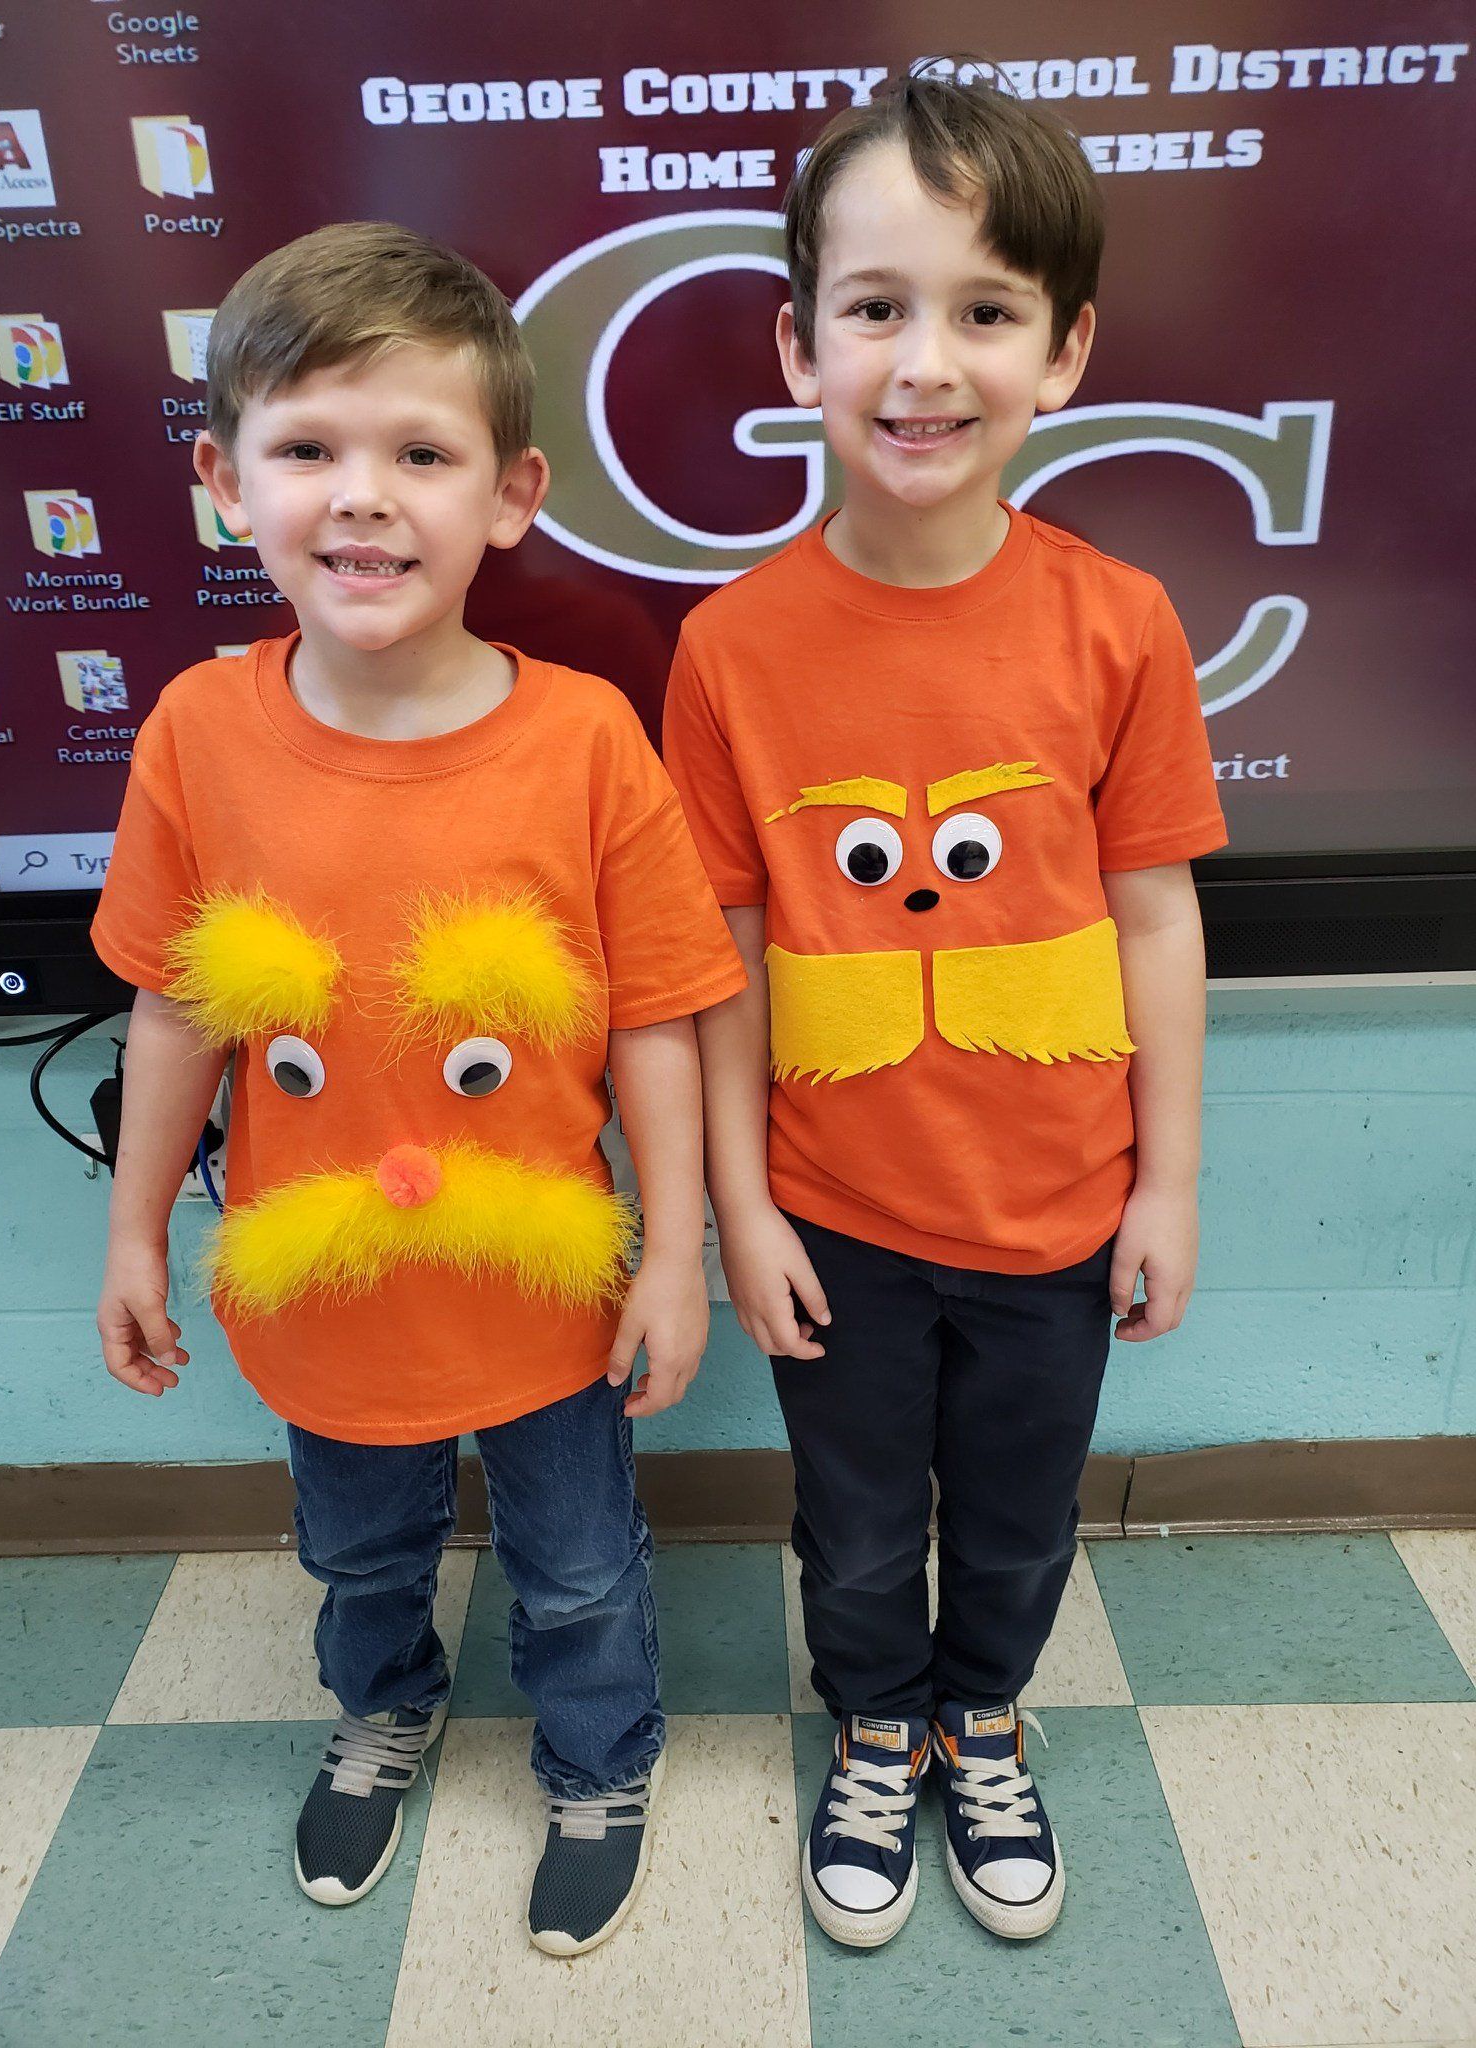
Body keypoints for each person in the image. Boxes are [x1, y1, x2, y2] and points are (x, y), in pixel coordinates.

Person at [92, 221, 745, 1953]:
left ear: (512, 494)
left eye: (421, 455)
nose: (363, 498)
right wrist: (135, 1232)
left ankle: (600, 1762)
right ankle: (382, 1710)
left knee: (582, 1566)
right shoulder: (195, 735)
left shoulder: (588, 738)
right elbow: (173, 1010)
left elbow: (660, 1018)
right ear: (226, 482)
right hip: (324, 1287)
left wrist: (677, 1255)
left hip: (545, 1287)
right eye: (309, 448)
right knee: (360, 1554)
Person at [664, 73, 1228, 1948]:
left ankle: (981, 1717)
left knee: (1016, 1518)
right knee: (850, 1530)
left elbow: (1154, 916)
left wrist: (1167, 1185)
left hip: (1059, 1213)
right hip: (835, 1216)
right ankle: (875, 1725)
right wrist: (741, 1207)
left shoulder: (1120, 622)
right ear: (798, 345)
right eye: (875, 307)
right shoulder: (730, 649)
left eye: (985, 311)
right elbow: (721, 953)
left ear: (1064, 353)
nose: (924, 363)